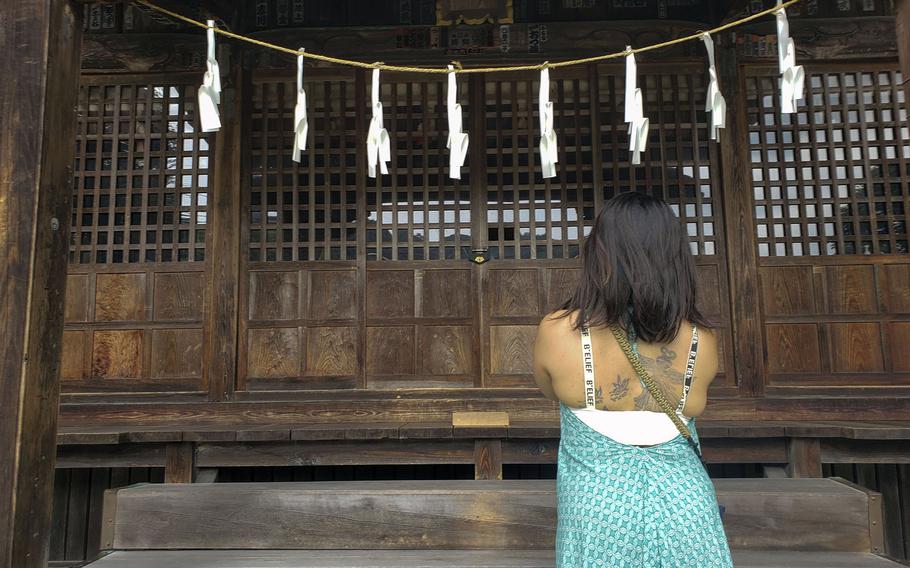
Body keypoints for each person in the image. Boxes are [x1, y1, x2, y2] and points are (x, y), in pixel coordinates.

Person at [533, 191, 733, 567]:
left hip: (598, 514)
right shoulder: (701, 341)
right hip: (688, 511)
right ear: (676, 258)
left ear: (599, 253)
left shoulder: (558, 332)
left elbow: (548, 388)